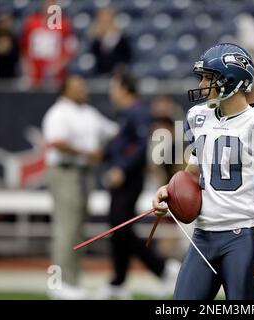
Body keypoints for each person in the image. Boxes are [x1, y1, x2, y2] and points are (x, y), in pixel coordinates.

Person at [153, 43, 254, 300]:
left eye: (209, 77)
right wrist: (168, 193)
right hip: (203, 235)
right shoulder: (199, 117)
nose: (202, 84)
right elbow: (192, 174)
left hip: (243, 236)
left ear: (231, 81)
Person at [97, 70, 180, 300]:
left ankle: (161, 268)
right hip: (120, 179)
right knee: (119, 230)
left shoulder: (138, 112)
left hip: (129, 179)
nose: (111, 91)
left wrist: (122, 168)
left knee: (121, 228)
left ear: (124, 87)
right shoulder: (125, 113)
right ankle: (120, 281)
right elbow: (121, 146)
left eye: (114, 86)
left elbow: (143, 145)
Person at [42, 75, 118, 299]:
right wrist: (87, 153)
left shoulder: (88, 112)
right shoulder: (59, 112)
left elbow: (112, 131)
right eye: (77, 87)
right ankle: (59, 284)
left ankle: (73, 281)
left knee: (77, 228)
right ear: (65, 90)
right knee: (66, 228)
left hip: (84, 173)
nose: (83, 90)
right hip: (65, 171)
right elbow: (56, 141)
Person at [20, 0, 77, 87]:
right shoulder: (31, 23)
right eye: (47, 3)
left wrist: (57, 66)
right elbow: (24, 49)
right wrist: (28, 68)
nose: (49, 6)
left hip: (56, 76)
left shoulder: (64, 25)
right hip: (34, 74)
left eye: (52, 4)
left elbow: (70, 49)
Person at [89, 6, 131, 76]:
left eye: (108, 19)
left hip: (120, 73)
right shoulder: (96, 39)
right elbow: (94, 55)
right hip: (101, 73)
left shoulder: (122, 37)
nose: (105, 22)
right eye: (102, 20)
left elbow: (127, 55)